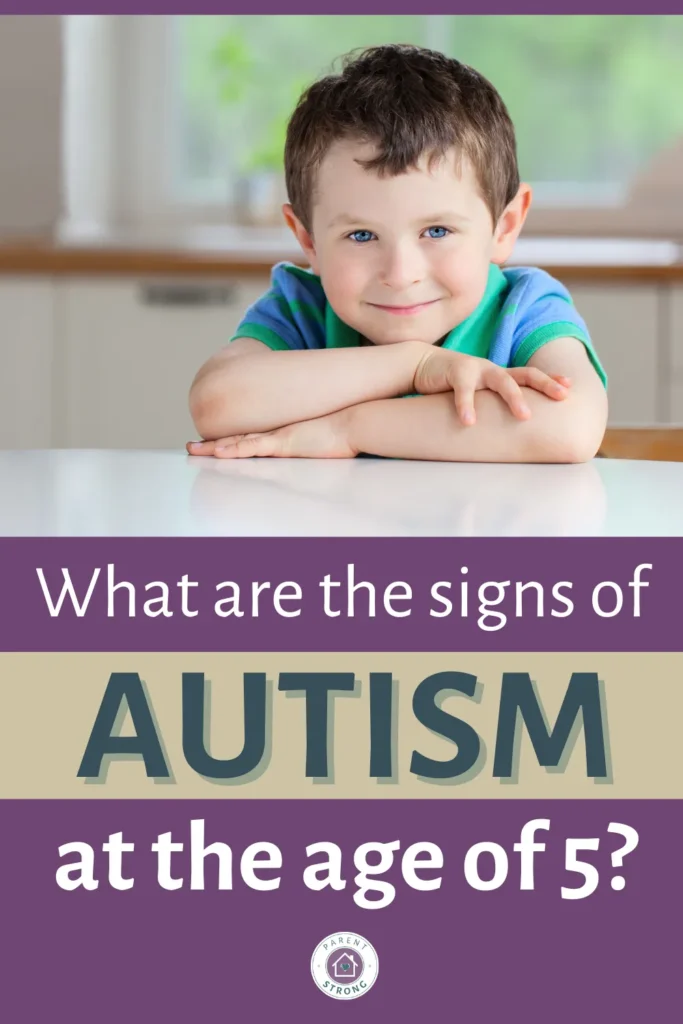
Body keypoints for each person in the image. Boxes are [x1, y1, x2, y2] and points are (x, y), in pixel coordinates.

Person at [187, 44, 608, 463]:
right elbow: (216, 404)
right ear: (308, 241)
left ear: (506, 225)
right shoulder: (303, 310)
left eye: (437, 230)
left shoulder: (523, 310)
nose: (400, 274)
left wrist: (349, 428)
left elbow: (571, 425)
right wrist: (412, 364)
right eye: (361, 236)